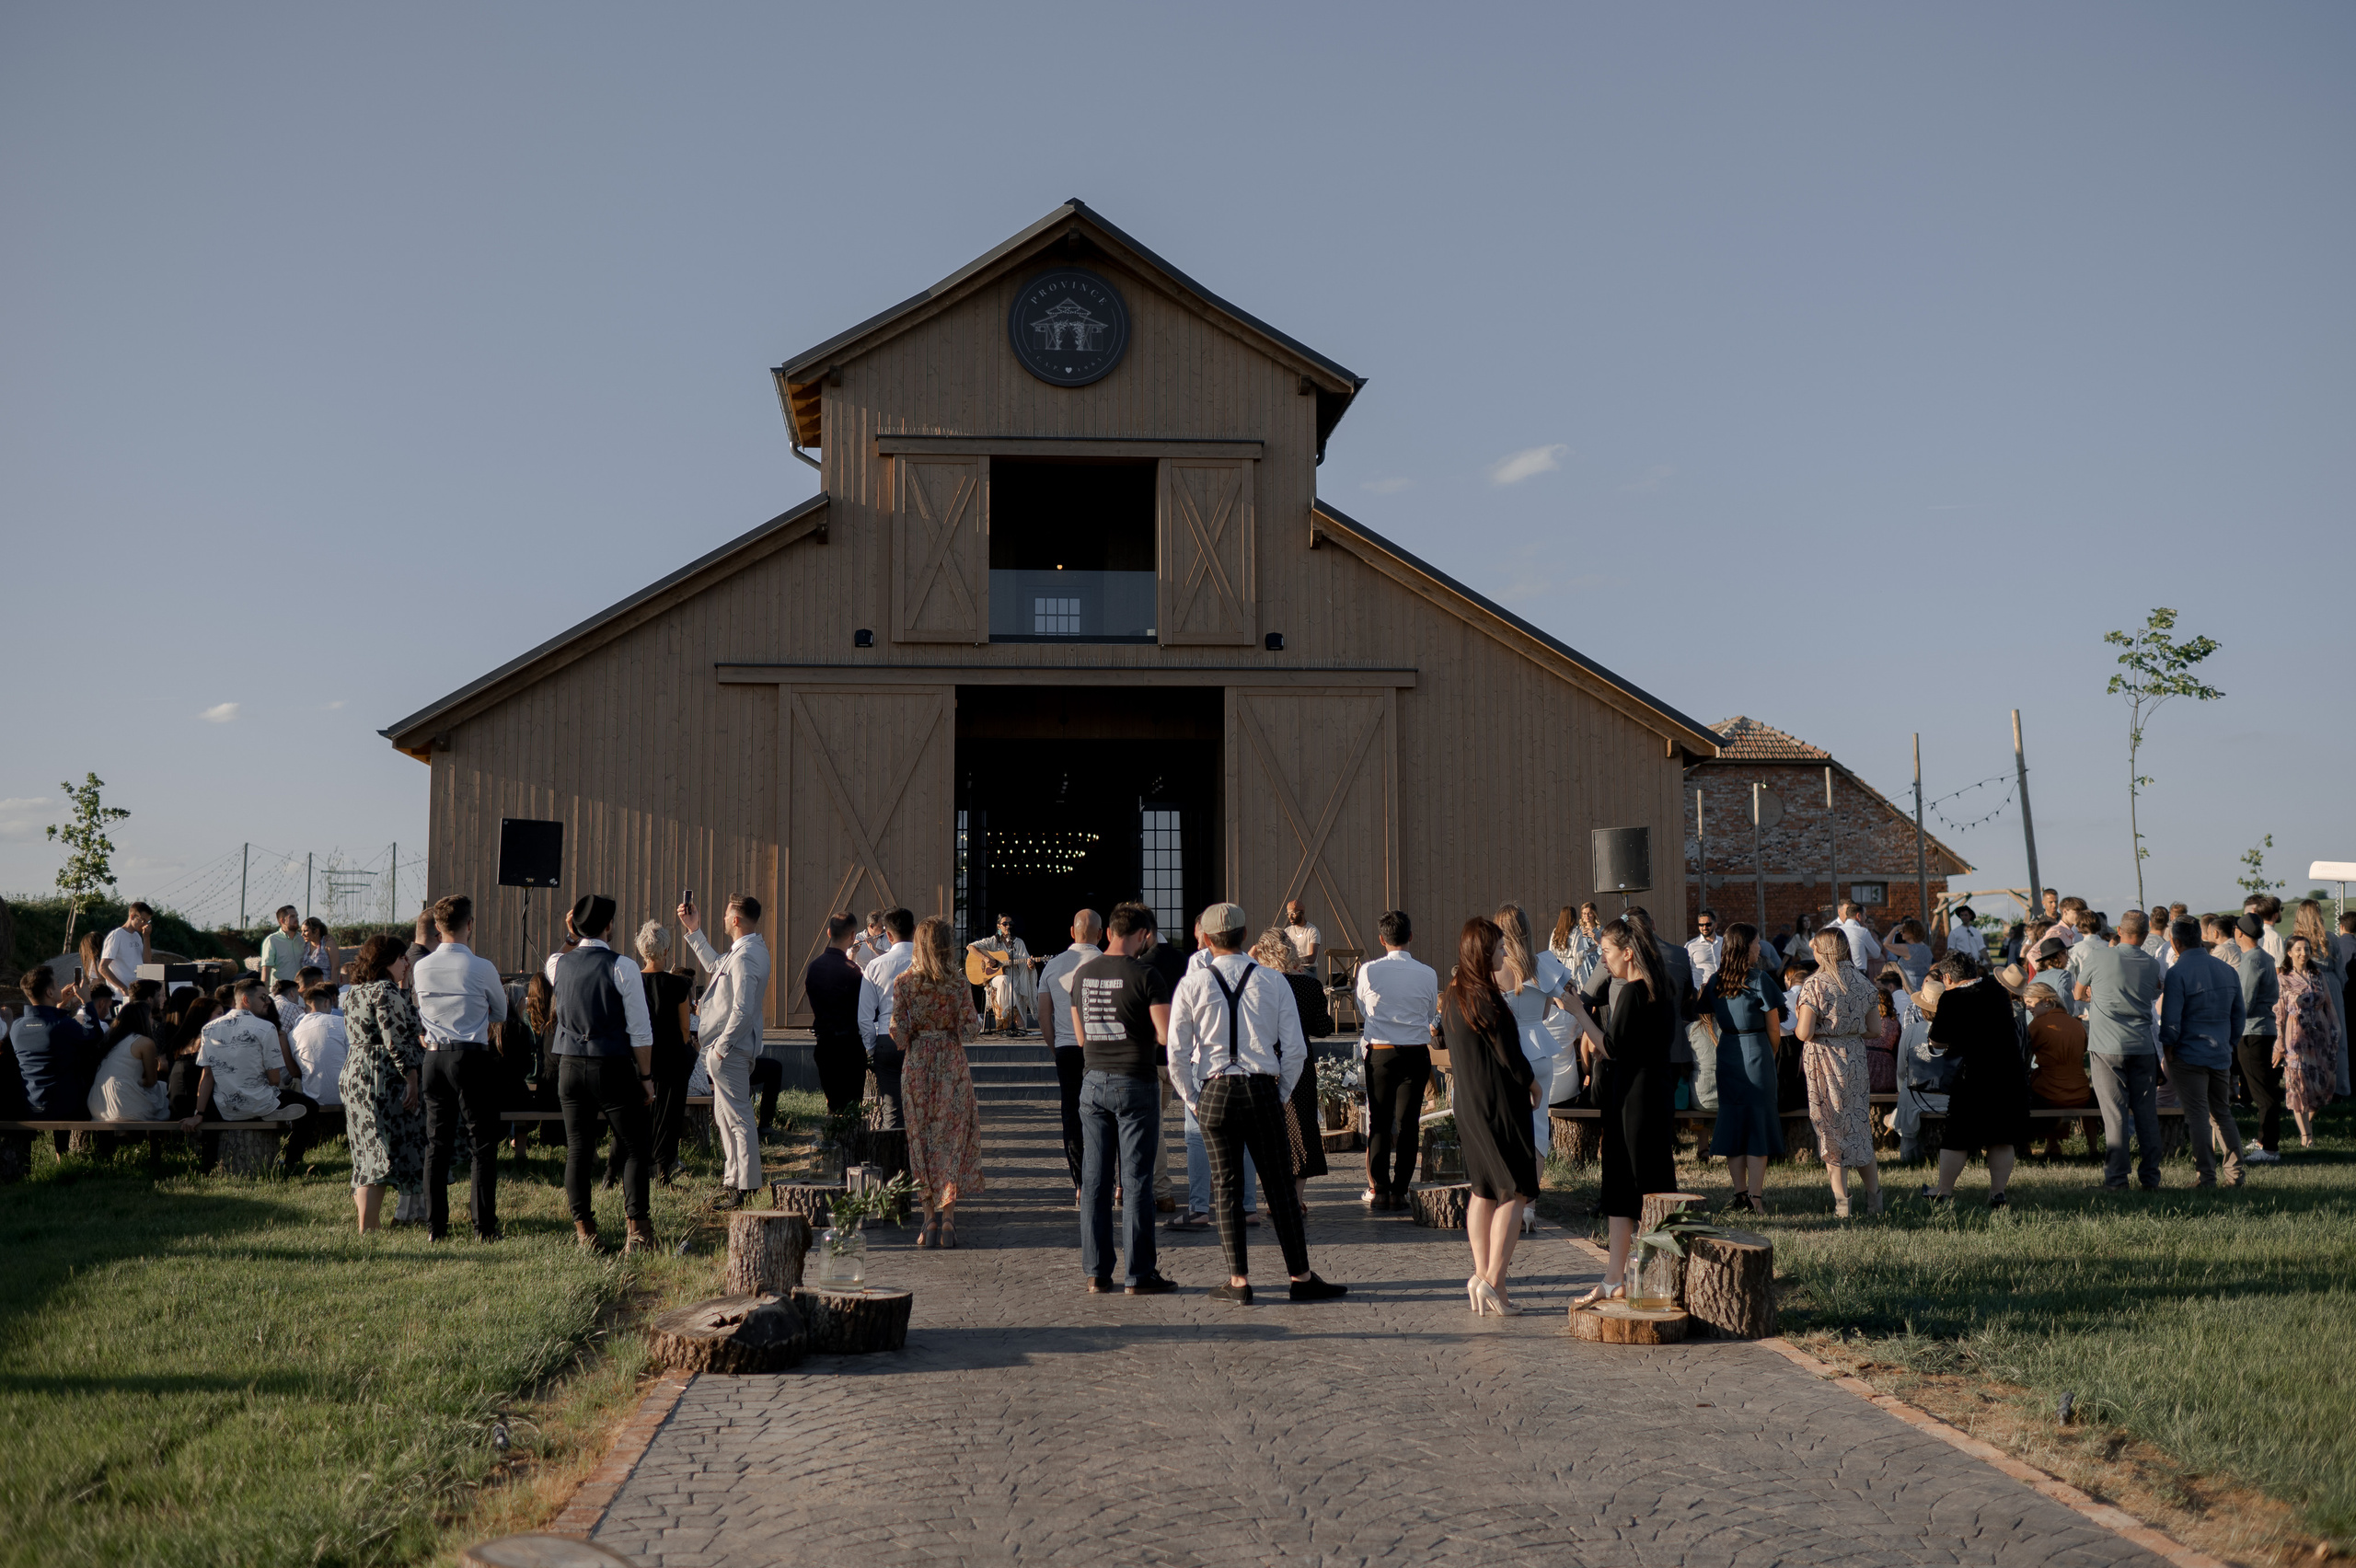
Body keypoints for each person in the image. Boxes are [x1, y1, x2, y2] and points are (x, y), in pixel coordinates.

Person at [1167, 902, 1346, 1306]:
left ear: (1206, 939)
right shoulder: (1273, 981)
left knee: (1226, 1187)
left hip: (1214, 1090)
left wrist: (1194, 1100)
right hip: (1262, 1088)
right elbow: (1296, 1050)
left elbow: (1176, 1054)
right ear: (1245, 935)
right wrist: (1279, 1095)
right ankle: (1300, 1277)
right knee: (1280, 1186)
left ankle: (1238, 1281)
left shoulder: (1193, 984)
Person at [1068, 903, 1175, 1293]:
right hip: (1135, 1080)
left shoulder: (1083, 974)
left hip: (1093, 1080)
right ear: (1143, 935)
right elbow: (1163, 1034)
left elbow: (1081, 1038)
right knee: (1136, 1179)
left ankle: (1096, 1272)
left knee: (1095, 1180)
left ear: (1110, 932)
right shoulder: (1146, 975)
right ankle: (1139, 1274)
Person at [1570, 918, 1677, 1306]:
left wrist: (1579, 1012)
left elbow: (1612, 1046)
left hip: (1631, 1096)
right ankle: (1629, 1276)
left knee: (1625, 1179)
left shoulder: (1633, 992)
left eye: (1607, 952)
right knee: (1651, 1180)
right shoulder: (1662, 987)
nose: (1603, 960)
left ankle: (1624, 1276)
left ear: (1628, 953)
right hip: (1655, 1091)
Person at [1438, 917, 1542, 1315]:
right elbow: (1511, 1057)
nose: (1504, 952)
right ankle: (1493, 1281)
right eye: (1499, 947)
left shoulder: (1454, 994)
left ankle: (1482, 1276)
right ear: (1484, 953)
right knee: (1515, 1190)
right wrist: (1533, 1084)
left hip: (1468, 1102)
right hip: (1499, 1104)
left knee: (1482, 1190)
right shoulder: (1486, 998)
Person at [546, 894, 658, 1251]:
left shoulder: (558, 964)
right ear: (609, 925)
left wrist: (571, 935)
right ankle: (637, 1230)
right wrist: (645, 1077)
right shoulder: (622, 966)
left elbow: (556, 958)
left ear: (576, 927)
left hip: (568, 1063)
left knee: (578, 1148)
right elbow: (640, 1031)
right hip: (609, 1063)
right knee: (635, 1147)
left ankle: (585, 1232)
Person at [411, 894, 512, 1242]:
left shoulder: (421, 967)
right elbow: (501, 1012)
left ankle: (436, 1228)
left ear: (437, 928)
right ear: (470, 925)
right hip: (470, 1056)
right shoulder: (481, 967)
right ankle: (484, 1227)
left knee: (436, 1145)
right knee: (481, 1144)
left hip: (433, 1058)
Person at [892, 916, 987, 1248]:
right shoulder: (959, 983)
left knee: (920, 1141)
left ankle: (928, 1218)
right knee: (951, 1140)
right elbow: (970, 1030)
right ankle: (949, 1220)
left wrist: (917, 1029)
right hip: (951, 1064)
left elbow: (898, 1033)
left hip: (918, 1065)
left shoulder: (904, 983)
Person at [680, 893, 771, 1208]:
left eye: (725, 914)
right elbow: (716, 965)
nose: (722, 919)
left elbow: (743, 1009)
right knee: (724, 1117)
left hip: (730, 1049)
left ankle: (747, 1186)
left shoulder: (746, 956)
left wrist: (722, 1046)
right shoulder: (749, 949)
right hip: (727, 1049)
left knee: (738, 1119)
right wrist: (694, 931)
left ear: (735, 919)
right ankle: (733, 1180)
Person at [1920, 951, 2029, 1205]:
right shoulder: (1997, 990)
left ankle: (1943, 1190)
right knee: (2001, 1136)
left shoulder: (1951, 998)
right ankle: (1997, 1192)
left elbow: (1937, 1040)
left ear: (1948, 977)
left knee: (1957, 1136)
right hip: (2008, 1073)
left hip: (1972, 1075)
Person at [1789, 929, 1883, 1216]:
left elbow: (1804, 1032)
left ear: (1823, 951)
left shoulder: (1815, 983)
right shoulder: (1863, 982)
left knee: (1830, 1129)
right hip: (1854, 1057)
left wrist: (1808, 1022)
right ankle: (1875, 1201)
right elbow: (1875, 1030)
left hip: (1824, 1059)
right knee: (1858, 1128)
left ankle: (1843, 1205)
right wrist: (1848, 1031)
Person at [2072, 911, 2165, 1191]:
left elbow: (2078, 994)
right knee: (2146, 1114)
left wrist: (2095, 994)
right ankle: (2151, 1177)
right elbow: (2154, 993)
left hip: (2106, 1045)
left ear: (2118, 930)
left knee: (2115, 1114)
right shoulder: (2151, 964)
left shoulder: (2099, 956)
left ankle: (2116, 1179)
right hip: (2142, 1046)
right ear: (2146, 935)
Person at [341, 935, 428, 1232]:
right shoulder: (385, 990)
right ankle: (369, 1226)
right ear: (387, 960)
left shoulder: (355, 991)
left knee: (365, 1150)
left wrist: (405, 987)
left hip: (356, 1071)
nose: (407, 963)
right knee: (380, 1153)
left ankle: (369, 1222)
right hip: (382, 1074)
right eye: (402, 958)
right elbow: (396, 1040)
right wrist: (412, 1078)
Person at [1357, 909, 1438, 1212]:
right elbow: (1430, 1013)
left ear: (1382, 939)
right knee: (1408, 1124)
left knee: (1378, 1122)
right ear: (1411, 937)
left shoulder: (1368, 970)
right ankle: (1400, 1190)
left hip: (1381, 1050)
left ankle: (1379, 1189)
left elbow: (1364, 1009)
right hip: (1415, 1052)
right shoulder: (1427, 973)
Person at [2157, 917, 2245, 1187]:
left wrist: (2168, 1048)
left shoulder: (2177, 972)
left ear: (2175, 943)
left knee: (2197, 1116)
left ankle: (2206, 1176)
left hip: (2188, 1053)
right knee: (2222, 1113)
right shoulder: (2227, 970)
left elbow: (2171, 1020)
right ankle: (2235, 1174)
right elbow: (2239, 1015)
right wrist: (2229, 1042)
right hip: (2220, 1052)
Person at [1705, 923, 1785, 1212]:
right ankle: (1755, 1199)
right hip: (1757, 1051)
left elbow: (1704, 1014)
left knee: (1733, 1123)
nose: (1760, 948)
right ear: (1745, 947)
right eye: (1756, 943)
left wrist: (1721, 1039)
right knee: (1757, 1126)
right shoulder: (1760, 979)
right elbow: (1774, 1029)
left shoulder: (1716, 980)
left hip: (1727, 1051)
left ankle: (1740, 1195)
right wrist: (1769, 1054)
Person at [1251, 927, 1332, 1207]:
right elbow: (1324, 1028)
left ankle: (1273, 1194)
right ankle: (1295, 1199)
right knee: (1303, 1128)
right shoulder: (1309, 985)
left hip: (1264, 1060)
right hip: (1299, 1061)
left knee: (1268, 1131)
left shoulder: (1257, 985)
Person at [181, 978, 312, 1151]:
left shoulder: (209, 1028)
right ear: (245, 1000)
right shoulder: (266, 1028)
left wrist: (199, 1114)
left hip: (225, 1107)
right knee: (310, 1107)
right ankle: (290, 1160)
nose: (268, 1001)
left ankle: (210, 1161)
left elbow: (207, 1076)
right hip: (261, 1102)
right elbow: (274, 1079)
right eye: (263, 997)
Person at [1037, 909, 1105, 1200]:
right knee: (1108, 1114)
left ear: (1072, 932)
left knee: (1071, 1115)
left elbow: (1043, 1015)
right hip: (1102, 1048)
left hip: (1066, 1046)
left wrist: (1055, 1047)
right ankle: (1114, 1183)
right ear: (1101, 934)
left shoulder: (1054, 966)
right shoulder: (1108, 962)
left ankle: (1080, 1183)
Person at [635, 921, 696, 1183]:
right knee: (669, 1115)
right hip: (671, 1056)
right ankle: (663, 1170)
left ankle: (638, 1164)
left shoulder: (632, 981)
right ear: (667, 950)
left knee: (640, 1116)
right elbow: (685, 1027)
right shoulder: (679, 984)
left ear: (641, 950)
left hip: (640, 1057)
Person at [10, 966, 100, 1136]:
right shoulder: (63, 1025)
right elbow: (94, 1036)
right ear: (50, 992)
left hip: (32, 1105)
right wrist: (87, 1001)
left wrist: (59, 1006)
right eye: (57, 984)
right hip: (65, 1107)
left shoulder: (17, 1027)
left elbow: (44, 1027)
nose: (61, 987)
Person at [2275, 937, 2340, 1149]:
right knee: (2298, 1085)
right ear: (2289, 953)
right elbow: (2279, 1014)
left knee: (2324, 1085)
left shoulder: (2317, 975)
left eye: (2306, 949)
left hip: (2320, 1036)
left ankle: (2307, 1123)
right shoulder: (2283, 978)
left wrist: (2335, 1030)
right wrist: (2279, 1043)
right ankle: (2306, 1136)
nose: (2303, 953)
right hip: (2296, 1038)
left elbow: (2329, 1006)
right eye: (2298, 949)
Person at [2022, 983, 2099, 1161]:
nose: (2028, 1007)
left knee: (2027, 1091)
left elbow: (2025, 1056)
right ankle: (2093, 1149)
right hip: (2081, 1091)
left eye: (2030, 1002)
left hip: (2049, 1092)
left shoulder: (2037, 1025)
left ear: (2046, 1001)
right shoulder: (2076, 1024)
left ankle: (2027, 1147)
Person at [857, 908, 917, 1129]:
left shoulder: (875, 965)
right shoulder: (925, 963)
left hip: (887, 1037)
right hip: (920, 1039)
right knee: (921, 1109)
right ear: (914, 930)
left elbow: (864, 1017)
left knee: (892, 1111)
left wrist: (872, 1047)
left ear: (888, 935)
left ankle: (893, 1151)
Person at [2233, 914, 2284, 1165]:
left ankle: (2270, 1148)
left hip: (2252, 1031)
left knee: (2263, 1093)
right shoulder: (2264, 956)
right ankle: (2264, 1140)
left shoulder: (2251, 960)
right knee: (2265, 1087)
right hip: (2264, 1029)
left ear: (2240, 933)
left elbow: (2244, 1002)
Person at [803, 913, 868, 1115]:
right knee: (851, 1109)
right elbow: (862, 1009)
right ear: (853, 935)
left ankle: (830, 1133)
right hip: (849, 1046)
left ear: (829, 932)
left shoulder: (814, 967)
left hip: (824, 1043)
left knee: (833, 1102)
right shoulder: (853, 971)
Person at [2289, 899, 2350, 1096]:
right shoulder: (2330, 938)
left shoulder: (2293, 940)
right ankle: (2338, 1085)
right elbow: (2341, 970)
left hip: (2304, 986)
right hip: (2331, 983)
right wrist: (2339, 987)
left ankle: (2311, 1084)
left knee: (2307, 1035)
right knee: (2335, 1034)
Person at [86, 1001, 169, 1122]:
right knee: (163, 1090)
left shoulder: (111, 1041)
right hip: (124, 1103)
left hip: (98, 1104)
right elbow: (151, 1081)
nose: (153, 1022)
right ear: (143, 1021)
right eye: (150, 1018)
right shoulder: (145, 1043)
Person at [966, 914, 1038, 1035]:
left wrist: (1031, 966)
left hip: (1015, 978)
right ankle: (1014, 1017)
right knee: (1004, 979)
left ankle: (1006, 1019)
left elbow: (1025, 963)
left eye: (1010, 924)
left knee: (1010, 983)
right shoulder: (992, 942)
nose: (1008, 926)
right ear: (999, 926)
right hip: (995, 978)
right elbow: (970, 947)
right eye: (1005, 924)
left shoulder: (1018, 943)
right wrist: (985, 959)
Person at [289, 986, 350, 1111]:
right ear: (327, 1002)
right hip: (346, 1097)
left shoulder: (293, 1033)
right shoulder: (341, 1023)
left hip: (313, 1100)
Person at [100, 903, 151, 998]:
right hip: (120, 997)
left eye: (148, 922)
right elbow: (102, 967)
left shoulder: (137, 936)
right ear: (132, 916)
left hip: (137, 994)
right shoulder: (116, 935)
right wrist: (123, 988)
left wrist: (146, 937)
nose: (145, 925)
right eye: (143, 920)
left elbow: (147, 962)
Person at [1553, 902, 1604, 990]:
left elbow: (1603, 952)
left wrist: (1597, 941)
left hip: (1594, 962)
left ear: (1594, 914)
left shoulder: (1601, 930)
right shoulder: (1577, 930)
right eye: (1584, 914)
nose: (1587, 916)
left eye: (1590, 913)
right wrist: (1579, 936)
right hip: (1581, 964)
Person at [259, 905, 306, 986]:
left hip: (301, 989)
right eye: (292, 916)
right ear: (282, 920)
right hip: (281, 990)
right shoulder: (272, 940)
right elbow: (266, 969)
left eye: (297, 916)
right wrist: (264, 990)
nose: (296, 919)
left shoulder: (303, 939)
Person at [1884, 919, 1934, 990]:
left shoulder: (1910, 949)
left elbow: (1886, 944)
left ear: (1911, 933)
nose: (1901, 932)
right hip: (1923, 983)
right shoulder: (1926, 948)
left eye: (1903, 930)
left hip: (1910, 985)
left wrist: (1895, 928)